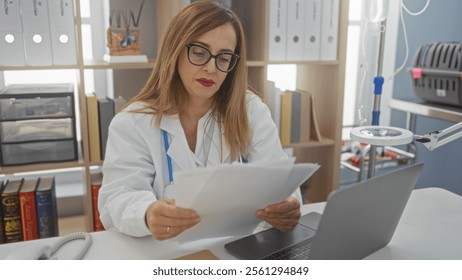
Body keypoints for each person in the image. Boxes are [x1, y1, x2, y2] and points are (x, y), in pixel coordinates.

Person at [98, 0, 301, 241]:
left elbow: (280, 180)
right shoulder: (132, 122)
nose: (211, 68)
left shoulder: (251, 110)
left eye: (224, 57)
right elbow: (118, 196)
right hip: (164, 253)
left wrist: (288, 206)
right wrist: (147, 213)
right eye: (199, 52)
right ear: (175, 50)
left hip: (235, 247)